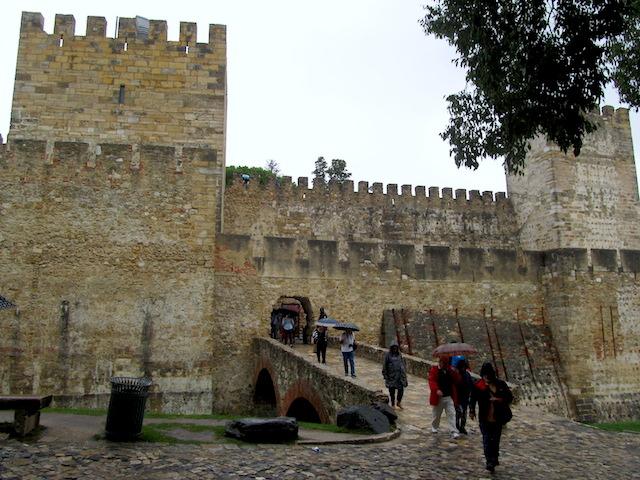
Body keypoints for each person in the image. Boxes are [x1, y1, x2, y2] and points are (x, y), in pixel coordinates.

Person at [469, 362, 513, 473]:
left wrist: (498, 399)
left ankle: (494, 457)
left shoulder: (501, 385)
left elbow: (509, 397)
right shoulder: (478, 386)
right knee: (487, 439)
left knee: (496, 440)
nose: (486, 378)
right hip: (484, 418)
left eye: (488, 375)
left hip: (497, 418)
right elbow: (473, 399)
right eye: (484, 375)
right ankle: (490, 461)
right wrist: (472, 411)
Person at [428, 356, 461, 438]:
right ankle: (434, 427)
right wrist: (436, 390)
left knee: (451, 413)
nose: (443, 364)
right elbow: (431, 381)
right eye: (442, 362)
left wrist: (455, 372)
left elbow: (457, 380)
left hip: (449, 396)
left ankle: (454, 430)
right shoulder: (434, 370)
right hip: (438, 398)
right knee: (436, 414)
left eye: (445, 363)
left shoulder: (450, 370)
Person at [382, 341, 408, 409]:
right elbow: (385, 366)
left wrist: (404, 374)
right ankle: (393, 404)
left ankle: (398, 402)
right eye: (393, 348)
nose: (395, 349)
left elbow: (402, 364)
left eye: (396, 348)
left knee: (401, 390)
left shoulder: (399, 355)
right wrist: (385, 375)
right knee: (392, 392)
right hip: (391, 377)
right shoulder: (388, 355)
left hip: (399, 377)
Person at [455, 358, 474, 434]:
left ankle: (462, 426)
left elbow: (471, 385)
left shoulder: (467, 375)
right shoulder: (456, 375)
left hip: (465, 398)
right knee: (458, 412)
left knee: (464, 413)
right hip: (458, 397)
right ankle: (456, 426)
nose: (463, 368)